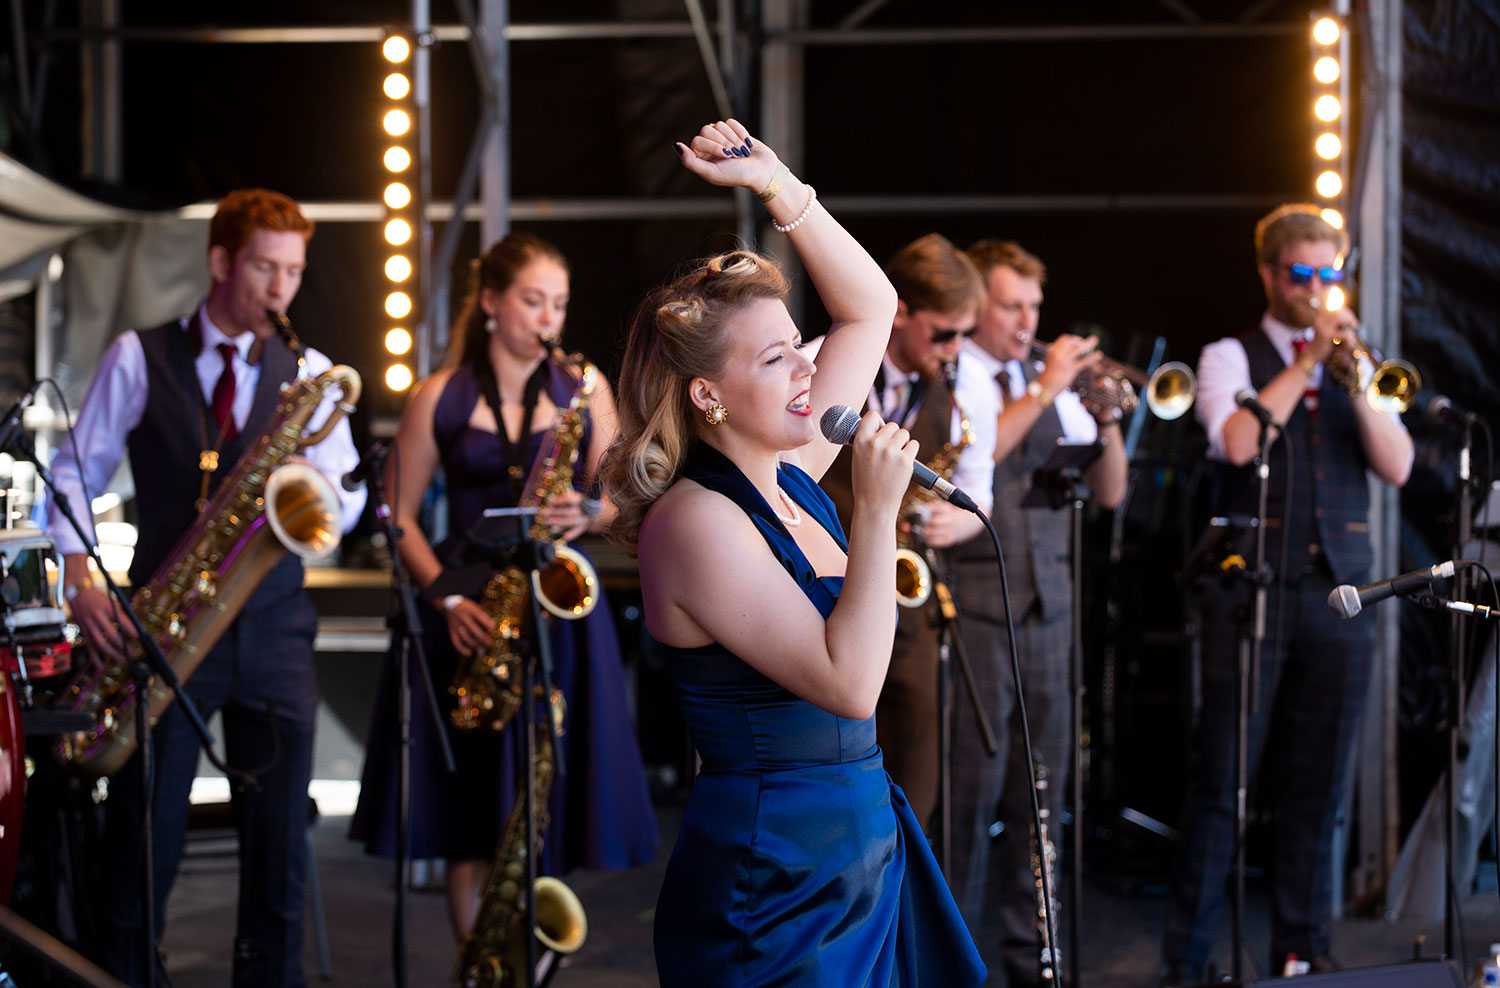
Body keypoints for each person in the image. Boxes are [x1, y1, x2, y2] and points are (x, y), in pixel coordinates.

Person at [605, 118, 985, 987]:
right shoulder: (694, 522)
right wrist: (879, 515)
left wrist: (779, 187)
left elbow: (872, 308)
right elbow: (851, 683)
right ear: (708, 394)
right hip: (773, 874)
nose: (809, 371)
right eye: (778, 359)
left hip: (859, 846)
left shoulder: (795, 470)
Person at [49, 188, 365, 987]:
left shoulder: (314, 373)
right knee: (142, 841)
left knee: (277, 848)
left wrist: (305, 488)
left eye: (293, 270)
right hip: (164, 629)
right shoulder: (137, 354)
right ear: (222, 261)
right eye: (266, 265)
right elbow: (72, 474)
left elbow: (348, 498)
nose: (281, 288)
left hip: (273, 626)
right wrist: (81, 578)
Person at [348, 230, 658, 941]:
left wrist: (587, 509)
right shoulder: (441, 395)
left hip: (557, 611)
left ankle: (535, 955)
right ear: (490, 302)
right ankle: (479, 961)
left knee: (549, 798)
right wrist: (445, 598)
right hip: (469, 614)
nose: (549, 319)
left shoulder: (585, 387)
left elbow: (623, 500)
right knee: (472, 809)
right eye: (532, 301)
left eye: (559, 304)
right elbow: (393, 511)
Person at [1158, 205, 1412, 984]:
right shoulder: (1229, 356)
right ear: (1270, 275)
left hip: (1343, 594)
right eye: (1302, 275)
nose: (1317, 289)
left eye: (1329, 274)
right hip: (1251, 595)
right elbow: (1236, 442)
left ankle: (1302, 949)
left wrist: (1356, 372)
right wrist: (1306, 360)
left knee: (1322, 782)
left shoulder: (1358, 361)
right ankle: (1190, 960)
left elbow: (1397, 465)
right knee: (1222, 783)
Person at [944, 238, 1127, 986]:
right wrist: (1049, 387)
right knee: (965, 799)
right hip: (980, 610)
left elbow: (1112, 493)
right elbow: (977, 454)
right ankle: (948, 957)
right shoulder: (959, 376)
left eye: (1034, 307)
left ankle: (1032, 959)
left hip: (1050, 612)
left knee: (1043, 797)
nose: (1027, 322)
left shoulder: (1040, 378)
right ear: (975, 307)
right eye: (1011, 306)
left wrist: (1107, 416)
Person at [818, 232, 992, 827]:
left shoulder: (949, 395)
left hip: (906, 605)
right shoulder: (826, 366)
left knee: (917, 777)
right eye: (945, 333)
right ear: (900, 315)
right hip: (823, 593)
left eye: (965, 335)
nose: (955, 350)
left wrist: (948, 521)